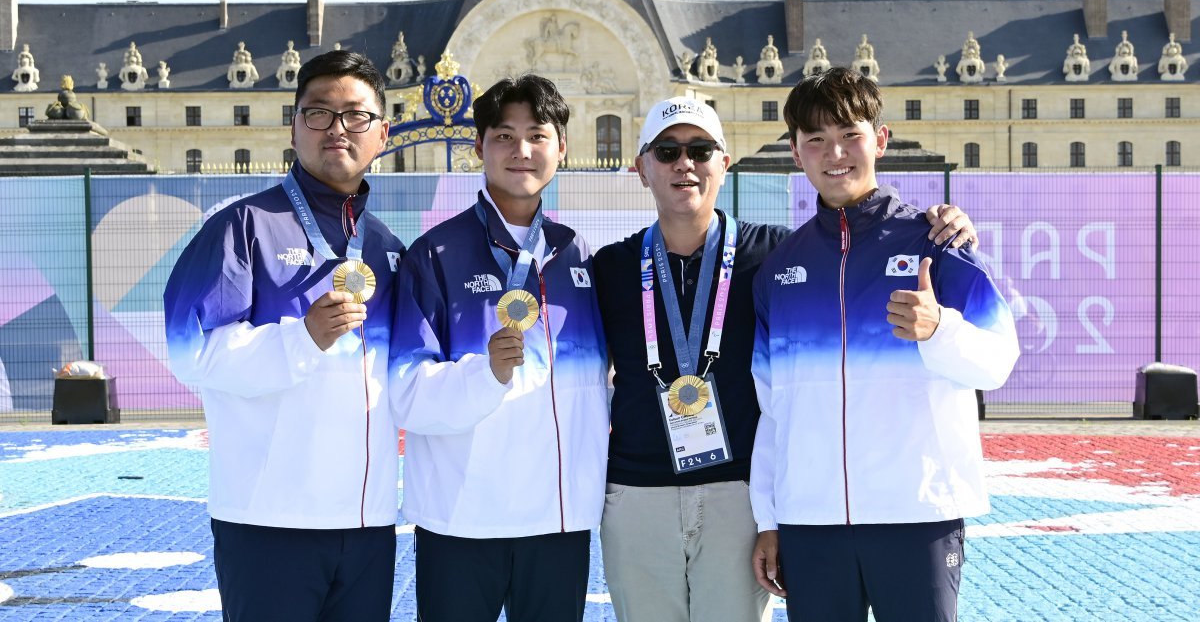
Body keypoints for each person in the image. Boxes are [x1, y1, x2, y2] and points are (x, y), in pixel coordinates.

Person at [594, 96, 979, 622]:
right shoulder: (609, 267)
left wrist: (943, 225)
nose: (684, 162)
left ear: (723, 163)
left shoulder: (773, 256)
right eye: (666, 151)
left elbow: (851, 248)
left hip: (737, 494)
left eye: (700, 149)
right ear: (642, 168)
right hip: (638, 493)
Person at [749, 67, 1019, 622]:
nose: (835, 153)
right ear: (796, 154)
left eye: (850, 134)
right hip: (811, 520)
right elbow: (772, 409)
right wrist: (769, 518)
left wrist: (939, 328)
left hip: (917, 513)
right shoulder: (779, 269)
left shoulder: (938, 241)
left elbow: (997, 360)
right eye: (816, 140)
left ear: (881, 138)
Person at [163, 51, 404, 622]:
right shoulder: (242, 226)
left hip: (368, 521)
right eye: (318, 113)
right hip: (269, 520)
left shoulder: (388, 249)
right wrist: (303, 339)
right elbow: (189, 353)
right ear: (293, 127)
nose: (337, 129)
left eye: (355, 116)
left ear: (382, 133)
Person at [390, 74, 608, 622]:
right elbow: (406, 393)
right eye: (504, 136)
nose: (522, 151)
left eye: (538, 135)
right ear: (479, 147)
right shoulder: (434, 253)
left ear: (562, 148)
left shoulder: (576, 253)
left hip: (557, 520)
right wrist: (485, 373)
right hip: (464, 518)